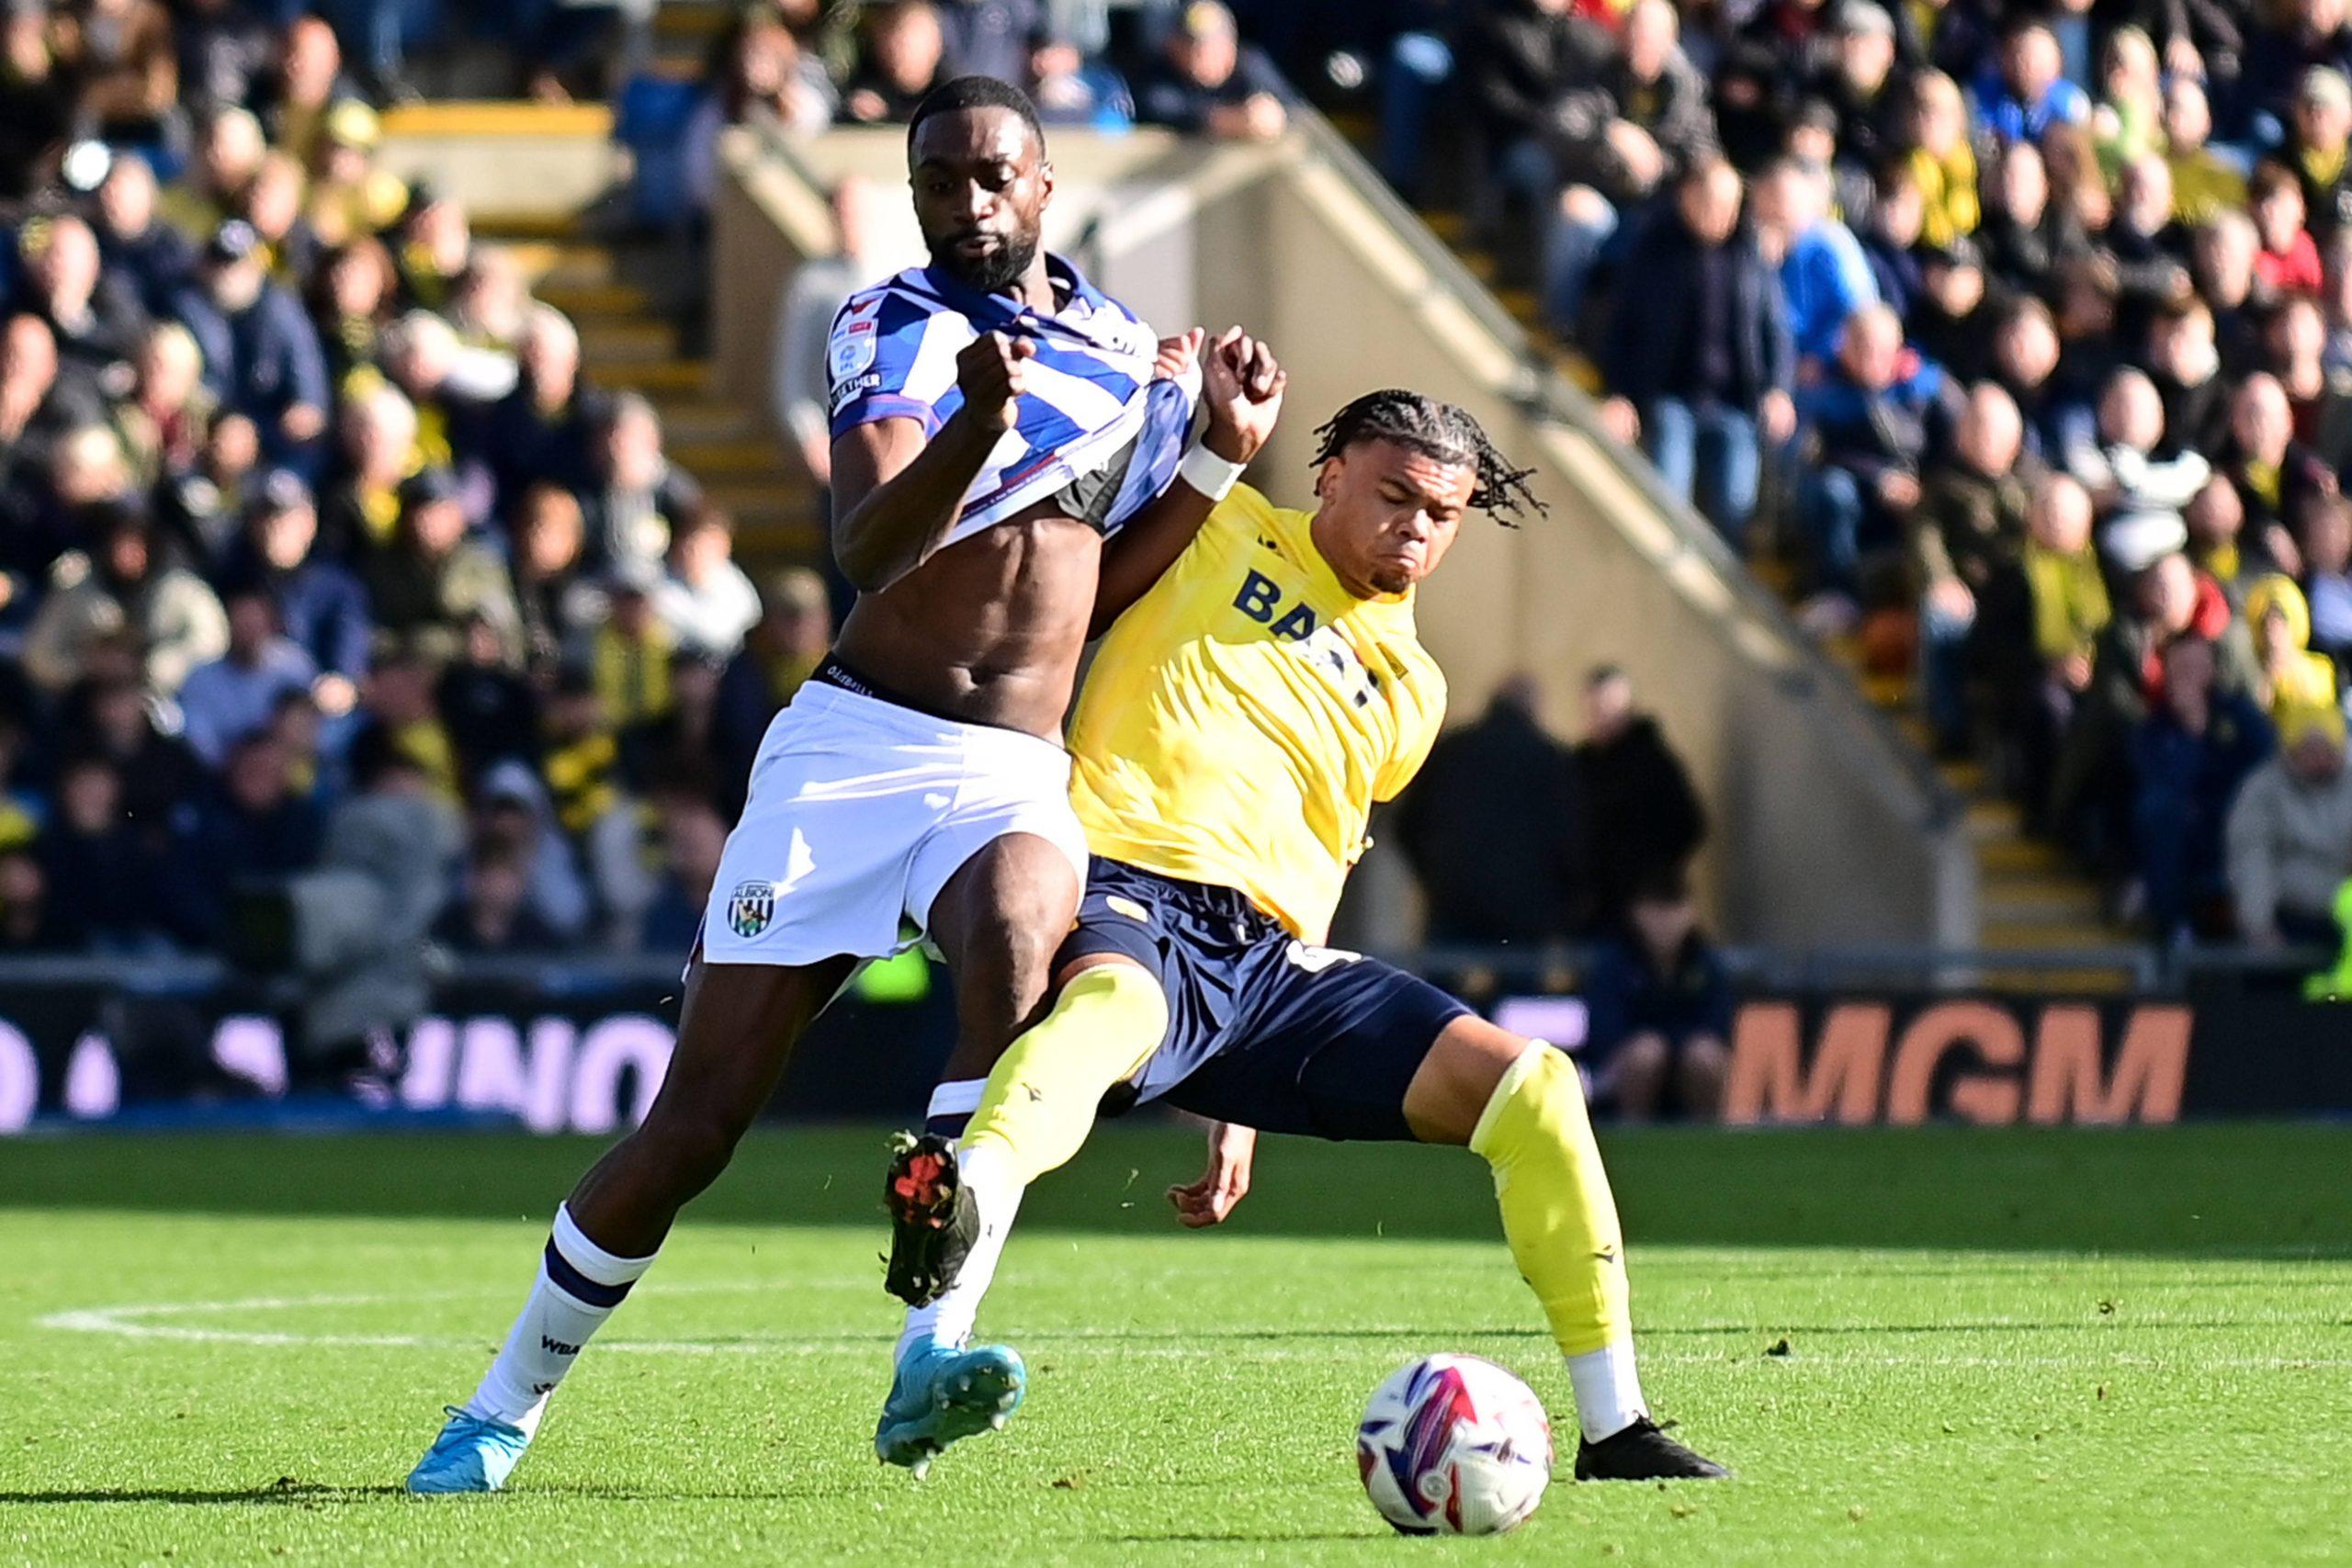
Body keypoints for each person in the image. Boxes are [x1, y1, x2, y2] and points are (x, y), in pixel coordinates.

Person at [405, 77, 1244, 1495]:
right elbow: (869, 546)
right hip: (856, 752)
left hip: (1011, 768)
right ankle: (500, 1405)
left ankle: (933, 1346)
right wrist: (979, 425)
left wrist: (1217, 449)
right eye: (939, 181)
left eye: (992, 177)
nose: (967, 204)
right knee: (698, 1121)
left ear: (1045, 187)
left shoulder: (1118, 351)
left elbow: (1098, 580)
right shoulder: (891, 327)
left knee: (1018, 962)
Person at [865, 389, 1724, 1484]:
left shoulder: (1413, 689)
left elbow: (1317, 843)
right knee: (1111, 1009)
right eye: (1395, 495)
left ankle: (1615, 1429)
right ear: (1331, 475)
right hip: (1130, 882)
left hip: (1270, 962)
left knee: (1536, 1088)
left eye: (1442, 514)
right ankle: (965, 1184)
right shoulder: (1217, 527)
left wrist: (1236, 1106)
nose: (1416, 527)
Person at [1595, 157, 1795, 547]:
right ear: (1686, 196)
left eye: (1729, 207)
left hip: (1734, 403)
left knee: (1735, 508)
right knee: (1667, 499)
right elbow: (1622, 325)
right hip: (1672, 398)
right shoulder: (1654, 247)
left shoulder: (1749, 254)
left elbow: (1775, 329)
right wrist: (1619, 393)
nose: (1720, 216)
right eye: (1710, 203)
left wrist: (1779, 389)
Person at [1395, 675, 1589, 943]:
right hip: (1527, 907)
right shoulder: (1550, 759)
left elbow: (1408, 824)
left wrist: (1434, 875)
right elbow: (1570, 836)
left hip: (1453, 902)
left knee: (1440, 981)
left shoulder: (1451, 751)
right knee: (1522, 984)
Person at [1579, 871, 1732, 1121]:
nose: (1666, 922)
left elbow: (1719, 1030)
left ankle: (1709, 1136)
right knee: (1646, 1053)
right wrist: (1653, 1047)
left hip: (1689, 1065)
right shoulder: (1616, 963)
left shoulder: (1705, 962)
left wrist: (1678, 1048)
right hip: (1621, 1071)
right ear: (1636, 913)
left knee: (1703, 1055)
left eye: (1674, 909)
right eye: (1656, 910)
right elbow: (1604, 1037)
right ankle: (1632, 1132)